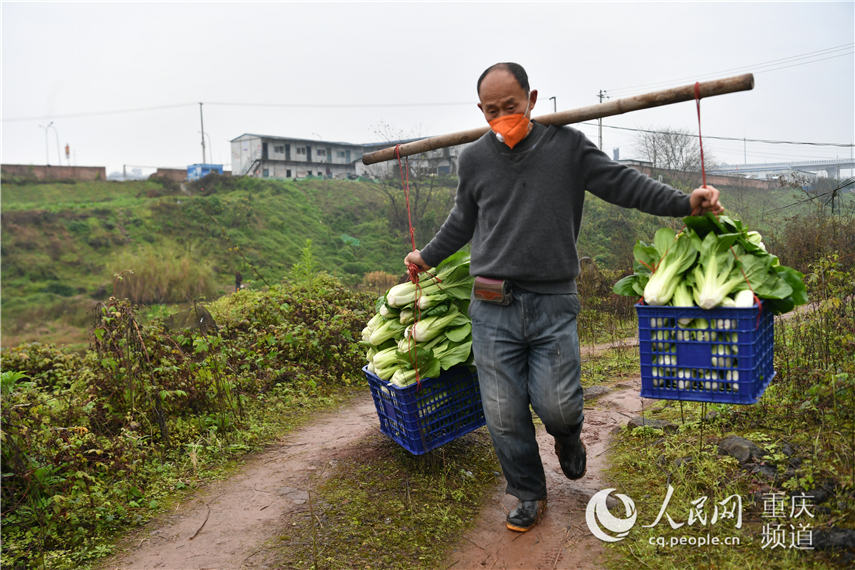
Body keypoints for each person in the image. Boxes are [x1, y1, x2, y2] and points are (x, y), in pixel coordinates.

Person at [404, 62, 723, 533]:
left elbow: (623, 183)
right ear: (481, 111)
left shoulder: (567, 147)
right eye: (491, 110)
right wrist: (425, 256)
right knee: (503, 413)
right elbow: (462, 221)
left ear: (531, 99)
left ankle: (568, 437)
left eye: (510, 106)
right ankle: (528, 493)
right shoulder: (473, 159)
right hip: (491, 304)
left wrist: (683, 202)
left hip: (553, 301)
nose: (502, 116)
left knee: (557, 405)